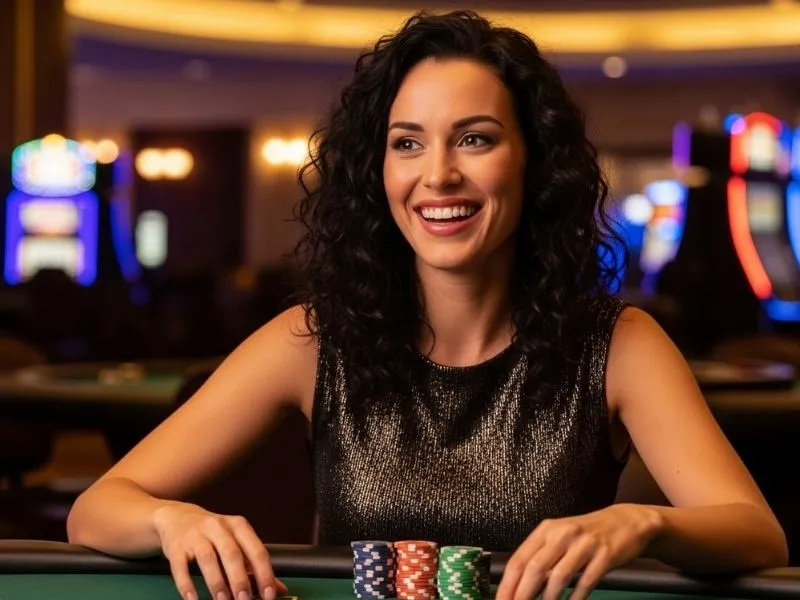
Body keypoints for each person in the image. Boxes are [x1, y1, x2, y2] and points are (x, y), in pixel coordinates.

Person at [66, 9, 788, 600]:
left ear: (533, 160)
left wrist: (642, 523)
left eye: (474, 139)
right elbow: (97, 507)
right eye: (407, 144)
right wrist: (172, 520)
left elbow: (755, 530)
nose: (437, 175)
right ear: (378, 171)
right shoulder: (314, 341)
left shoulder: (618, 344)